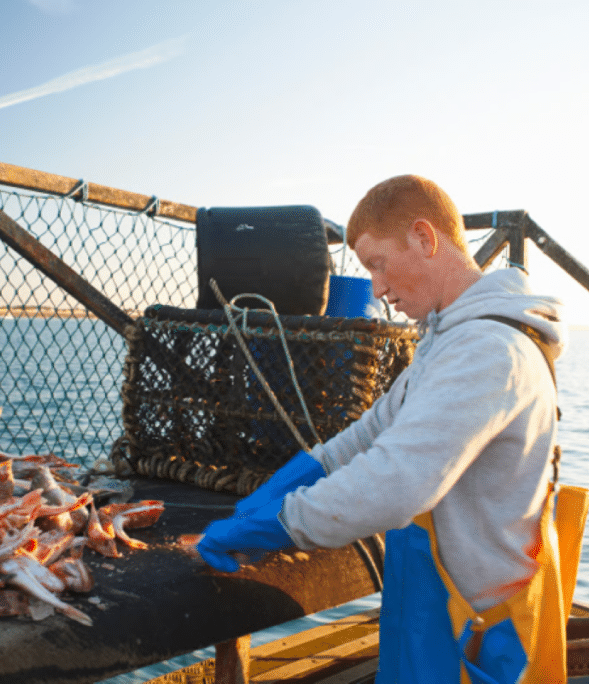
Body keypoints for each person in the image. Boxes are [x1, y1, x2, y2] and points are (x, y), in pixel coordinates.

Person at [196, 174, 569, 683]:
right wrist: (290, 479)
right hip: (435, 610)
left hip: (476, 634)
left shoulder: (488, 351)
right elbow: (371, 434)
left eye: (378, 264)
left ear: (424, 237)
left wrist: (279, 522)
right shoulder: (451, 341)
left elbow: (395, 482)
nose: (377, 287)